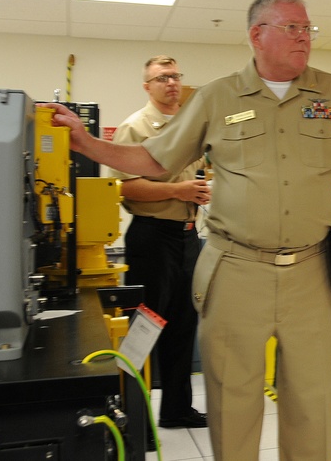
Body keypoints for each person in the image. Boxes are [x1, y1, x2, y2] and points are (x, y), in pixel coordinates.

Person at [47, 0, 331, 461]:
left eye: (308, 28)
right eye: (291, 28)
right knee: (233, 401)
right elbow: (154, 160)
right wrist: (85, 143)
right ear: (256, 35)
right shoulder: (216, 97)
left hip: (312, 271)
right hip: (236, 268)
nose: (304, 37)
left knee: (313, 401)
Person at [108, 55, 210, 431]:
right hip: (152, 237)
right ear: (147, 86)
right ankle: (135, 421)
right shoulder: (135, 128)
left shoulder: (187, 126)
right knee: (145, 327)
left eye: (176, 77)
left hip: (186, 237)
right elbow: (125, 187)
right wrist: (179, 189)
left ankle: (176, 410)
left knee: (184, 326)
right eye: (162, 78)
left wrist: (197, 192)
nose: (171, 83)